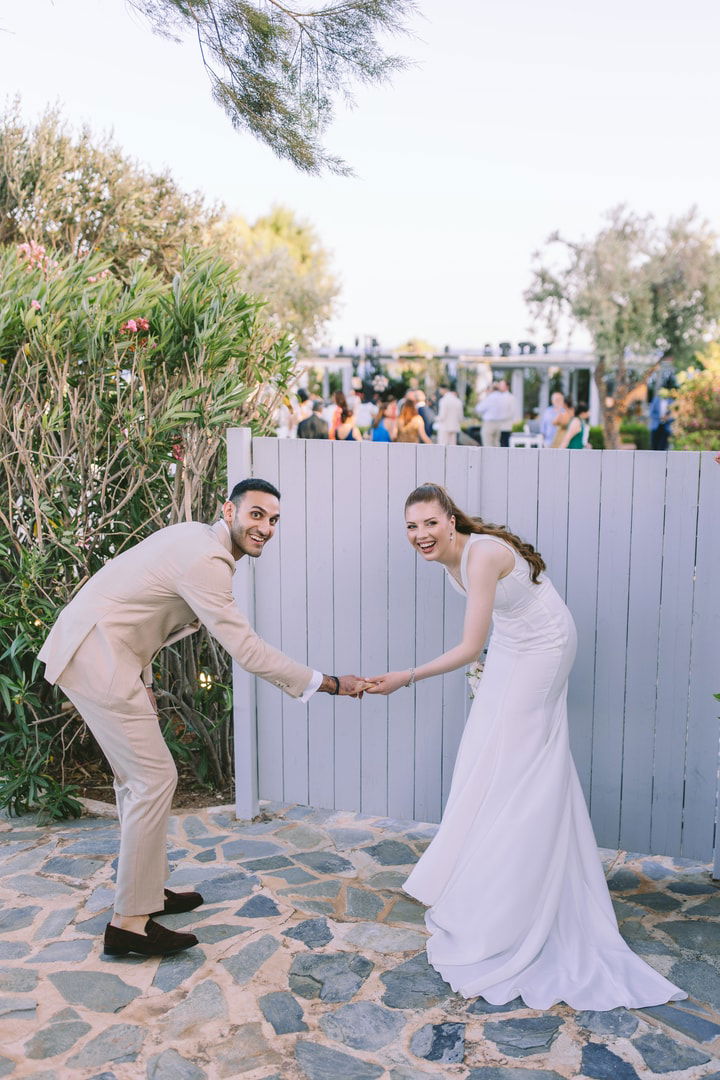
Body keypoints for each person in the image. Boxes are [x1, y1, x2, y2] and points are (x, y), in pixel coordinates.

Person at [366, 482, 685, 1010]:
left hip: (546, 644)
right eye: (410, 526)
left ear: (451, 520)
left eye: (429, 523)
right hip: (513, 644)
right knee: (486, 751)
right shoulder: (449, 558)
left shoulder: (482, 553)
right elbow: (489, 637)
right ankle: (488, 884)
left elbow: (470, 644)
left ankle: (518, 897)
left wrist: (407, 675)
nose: (420, 535)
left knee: (522, 761)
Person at [38, 479, 366, 958]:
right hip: (100, 661)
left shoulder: (193, 534)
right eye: (256, 515)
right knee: (152, 780)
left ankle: (145, 893)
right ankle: (129, 923)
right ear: (229, 510)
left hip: (106, 654)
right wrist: (330, 682)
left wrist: (145, 681)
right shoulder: (207, 560)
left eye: (274, 520)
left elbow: (126, 599)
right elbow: (248, 650)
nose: (266, 528)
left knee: (139, 781)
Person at [475, 381, 515, 447]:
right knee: (496, 444)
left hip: (490, 424)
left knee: (487, 444)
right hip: (499, 425)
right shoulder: (503, 398)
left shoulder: (490, 398)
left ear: (491, 389)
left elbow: (478, 409)